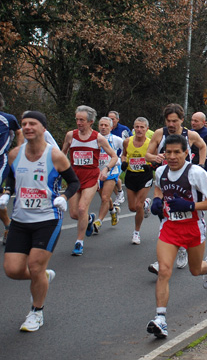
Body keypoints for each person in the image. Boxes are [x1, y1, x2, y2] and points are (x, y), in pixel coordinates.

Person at [1, 111, 80, 331]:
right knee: (12, 270)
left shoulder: (54, 156)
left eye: (32, 123)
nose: (27, 127)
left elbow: (74, 182)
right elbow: (11, 176)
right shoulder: (15, 154)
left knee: (34, 265)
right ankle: (42, 277)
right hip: (20, 219)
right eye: (24, 123)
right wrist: (7, 191)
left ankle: (36, 312)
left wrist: (64, 197)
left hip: (47, 218)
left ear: (43, 128)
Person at [146, 134, 207, 339]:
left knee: (195, 270)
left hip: (193, 227)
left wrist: (190, 205)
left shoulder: (196, 173)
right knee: (164, 271)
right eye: (168, 152)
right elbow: (159, 188)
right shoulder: (160, 171)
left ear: (187, 153)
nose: (172, 156)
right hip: (170, 227)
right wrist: (157, 201)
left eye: (177, 152)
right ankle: (160, 319)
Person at [147, 104, 207, 271]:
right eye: (168, 121)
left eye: (174, 121)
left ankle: (181, 249)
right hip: (165, 179)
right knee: (165, 213)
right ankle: (165, 258)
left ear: (182, 120)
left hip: (185, 181)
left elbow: (202, 146)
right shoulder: (160, 133)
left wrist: (201, 165)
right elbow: (147, 154)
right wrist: (156, 157)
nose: (171, 124)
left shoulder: (191, 135)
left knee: (183, 214)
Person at [62, 105, 118, 256]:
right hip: (74, 178)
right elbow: (62, 154)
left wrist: (105, 169)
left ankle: (79, 242)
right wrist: (61, 171)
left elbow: (114, 156)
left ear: (90, 122)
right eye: (77, 120)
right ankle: (89, 219)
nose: (79, 123)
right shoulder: (70, 136)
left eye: (82, 120)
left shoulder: (97, 138)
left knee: (81, 208)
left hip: (91, 177)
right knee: (74, 214)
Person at [121, 117, 154, 245]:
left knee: (138, 206)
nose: (139, 130)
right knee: (132, 207)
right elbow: (123, 154)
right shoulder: (127, 141)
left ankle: (136, 232)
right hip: (131, 175)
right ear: (133, 128)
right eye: (137, 127)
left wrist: (150, 166)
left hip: (145, 176)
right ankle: (146, 204)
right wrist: (123, 162)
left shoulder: (151, 143)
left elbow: (156, 158)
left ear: (147, 129)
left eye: (142, 127)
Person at [92, 117, 123, 234]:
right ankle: (113, 210)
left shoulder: (116, 139)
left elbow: (125, 148)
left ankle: (98, 221)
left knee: (105, 197)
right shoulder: (94, 138)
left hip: (111, 171)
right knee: (105, 197)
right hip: (97, 172)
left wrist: (121, 159)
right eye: (101, 125)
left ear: (111, 127)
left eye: (106, 125)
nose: (103, 127)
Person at [0, 94, 24, 244]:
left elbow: (19, 131)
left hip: (1, 160)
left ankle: (10, 226)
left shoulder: (7, 118)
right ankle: (9, 225)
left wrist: (19, 148)